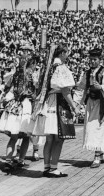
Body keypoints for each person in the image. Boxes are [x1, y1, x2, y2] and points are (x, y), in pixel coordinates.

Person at [32, 44, 79, 177]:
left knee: (50, 139)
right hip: (58, 103)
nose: (67, 55)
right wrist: (74, 106)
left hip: (48, 104)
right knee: (59, 138)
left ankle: (47, 167)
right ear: (62, 53)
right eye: (66, 53)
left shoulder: (47, 67)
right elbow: (64, 90)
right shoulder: (60, 68)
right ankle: (53, 168)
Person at [0, 44, 36, 171]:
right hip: (24, 105)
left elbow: (10, 87)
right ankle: (19, 160)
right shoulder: (29, 74)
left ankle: (10, 160)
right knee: (24, 135)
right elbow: (33, 91)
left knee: (16, 135)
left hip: (16, 104)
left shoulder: (16, 72)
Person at [78, 48, 104, 168]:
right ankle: (101, 153)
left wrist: (101, 87)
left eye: (95, 59)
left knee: (97, 127)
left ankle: (97, 156)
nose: (92, 62)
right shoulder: (87, 73)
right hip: (91, 102)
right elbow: (81, 87)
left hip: (101, 103)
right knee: (91, 127)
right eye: (91, 59)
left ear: (99, 60)